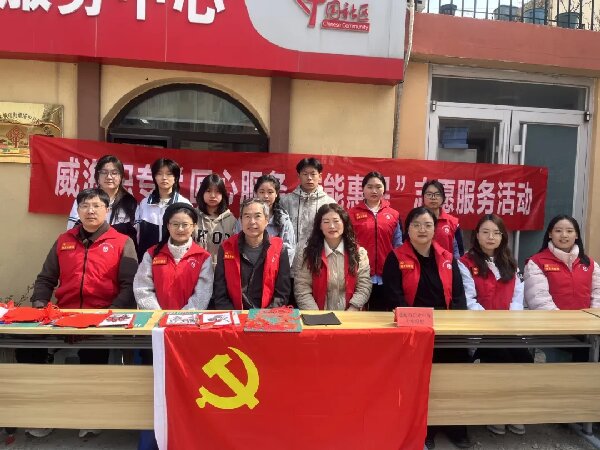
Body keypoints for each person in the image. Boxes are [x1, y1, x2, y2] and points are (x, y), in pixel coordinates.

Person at [28, 188, 138, 440]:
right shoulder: (63, 240)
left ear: (107, 210)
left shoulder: (122, 242)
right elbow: (46, 278)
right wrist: (39, 306)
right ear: (77, 211)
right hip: (63, 318)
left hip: (102, 319)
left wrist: (111, 315)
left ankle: (90, 416)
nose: (90, 211)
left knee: (93, 357)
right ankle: (42, 415)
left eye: (97, 206)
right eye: (85, 206)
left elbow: (129, 286)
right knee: (30, 350)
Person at [382, 207, 472, 450]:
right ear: (407, 229)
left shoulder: (447, 258)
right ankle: (426, 428)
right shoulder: (396, 258)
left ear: (435, 229)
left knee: (455, 378)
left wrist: (454, 326)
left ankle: (456, 426)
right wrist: (416, 324)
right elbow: (393, 297)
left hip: (447, 330)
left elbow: (459, 297)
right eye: (416, 225)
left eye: (428, 225)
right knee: (422, 382)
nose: (422, 229)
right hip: (414, 331)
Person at [459, 214, 531, 436]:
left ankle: (514, 410)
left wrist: (509, 322)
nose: (491, 237)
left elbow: (517, 297)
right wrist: (494, 324)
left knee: (525, 359)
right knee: (500, 357)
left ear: (502, 237)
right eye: (485, 232)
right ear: (476, 235)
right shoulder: (465, 263)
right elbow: (469, 301)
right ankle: (496, 412)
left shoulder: (510, 263)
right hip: (481, 330)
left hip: (508, 328)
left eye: (496, 233)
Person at [524, 214, 600, 362]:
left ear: (576, 235)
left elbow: (598, 294)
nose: (564, 235)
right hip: (554, 329)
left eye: (569, 231)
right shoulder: (536, 262)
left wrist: (592, 323)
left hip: (588, 329)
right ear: (550, 234)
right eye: (558, 231)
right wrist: (566, 325)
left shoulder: (589, 263)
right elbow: (539, 301)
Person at [211, 199, 290, 310]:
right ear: (240, 220)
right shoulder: (227, 247)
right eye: (247, 216)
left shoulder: (279, 248)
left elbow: (282, 294)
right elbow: (220, 292)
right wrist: (236, 316)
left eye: (257, 216)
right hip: (235, 314)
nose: (252, 222)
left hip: (268, 315)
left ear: (266, 220)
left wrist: (264, 316)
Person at [134, 203, 213, 311]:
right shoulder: (152, 254)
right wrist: (159, 315)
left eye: (185, 224)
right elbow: (142, 287)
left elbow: (202, 294)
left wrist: (182, 317)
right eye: (175, 224)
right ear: (168, 226)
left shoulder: (203, 257)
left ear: (194, 226)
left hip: (190, 319)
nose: (180, 229)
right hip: (156, 318)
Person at [294, 203, 371, 311]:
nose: (332, 226)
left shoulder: (358, 253)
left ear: (344, 223)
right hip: (317, 314)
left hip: (351, 314)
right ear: (319, 226)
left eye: (336, 221)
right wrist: (316, 315)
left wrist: (352, 311)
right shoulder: (307, 254)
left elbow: (364, 285)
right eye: (326, 222)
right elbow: (302, 288)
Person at [348, 171, 402, 310]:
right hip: (360, 273)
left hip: (386, 274)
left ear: (384, 189)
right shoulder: (351, 214)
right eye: (370, 187)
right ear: (363, 189)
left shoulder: (394, 214)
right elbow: (348, 243)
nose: (374, 191)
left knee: (382, 315)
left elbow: (398, 245)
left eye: (378, 187)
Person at [67, 155, 137, 243]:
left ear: (121, 177)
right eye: (104, 172)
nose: (109, 177)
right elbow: (72, 232)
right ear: (97, 176)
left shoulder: (130, 203)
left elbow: (134, 236)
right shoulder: (84, 200)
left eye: (114, 173)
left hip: (119, 249)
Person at [135, 158, 191, 261]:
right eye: (159, 174)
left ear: (175, 178)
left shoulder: (183, 204)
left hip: (175, 261)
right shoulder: (144, 204)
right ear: (154, 177)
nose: (164, 178)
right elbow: (137, 234)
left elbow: (188, 236)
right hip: (147, 261)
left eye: (169, 174)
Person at [234, 174, 296, 266]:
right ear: (256, 193)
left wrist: (277, 268)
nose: (266, 196)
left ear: (276, 194)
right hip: (246, 268)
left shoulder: (283, 220)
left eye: (270, 192)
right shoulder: (245, 217)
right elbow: (235, 243)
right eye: (262, 192)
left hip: (273, 270)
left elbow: (288, 250)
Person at [280, 157, 337, 253]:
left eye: (313, 174)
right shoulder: (286, 201)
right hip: (289, 256)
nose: (309, 178)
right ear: (299, 176)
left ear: (320, 176)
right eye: (305, 174)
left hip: (319, 255)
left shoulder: (329, 203)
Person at [195, 173, 237, 268]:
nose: (213, 195)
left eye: (217, 191)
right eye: (208, 191)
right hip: (196, 269)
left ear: (223, 194)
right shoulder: (192, 217)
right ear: (202, 193)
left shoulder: (231, 220)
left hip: (222, 271)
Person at [421, 180, 463, 258]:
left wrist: (455, 264)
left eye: (437, 194)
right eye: (429, 194)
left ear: (443, 198)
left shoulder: (452, 222)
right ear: (423, 197)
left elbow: (458, 252)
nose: (433, 198)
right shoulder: (414, 220)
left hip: (446, 264)